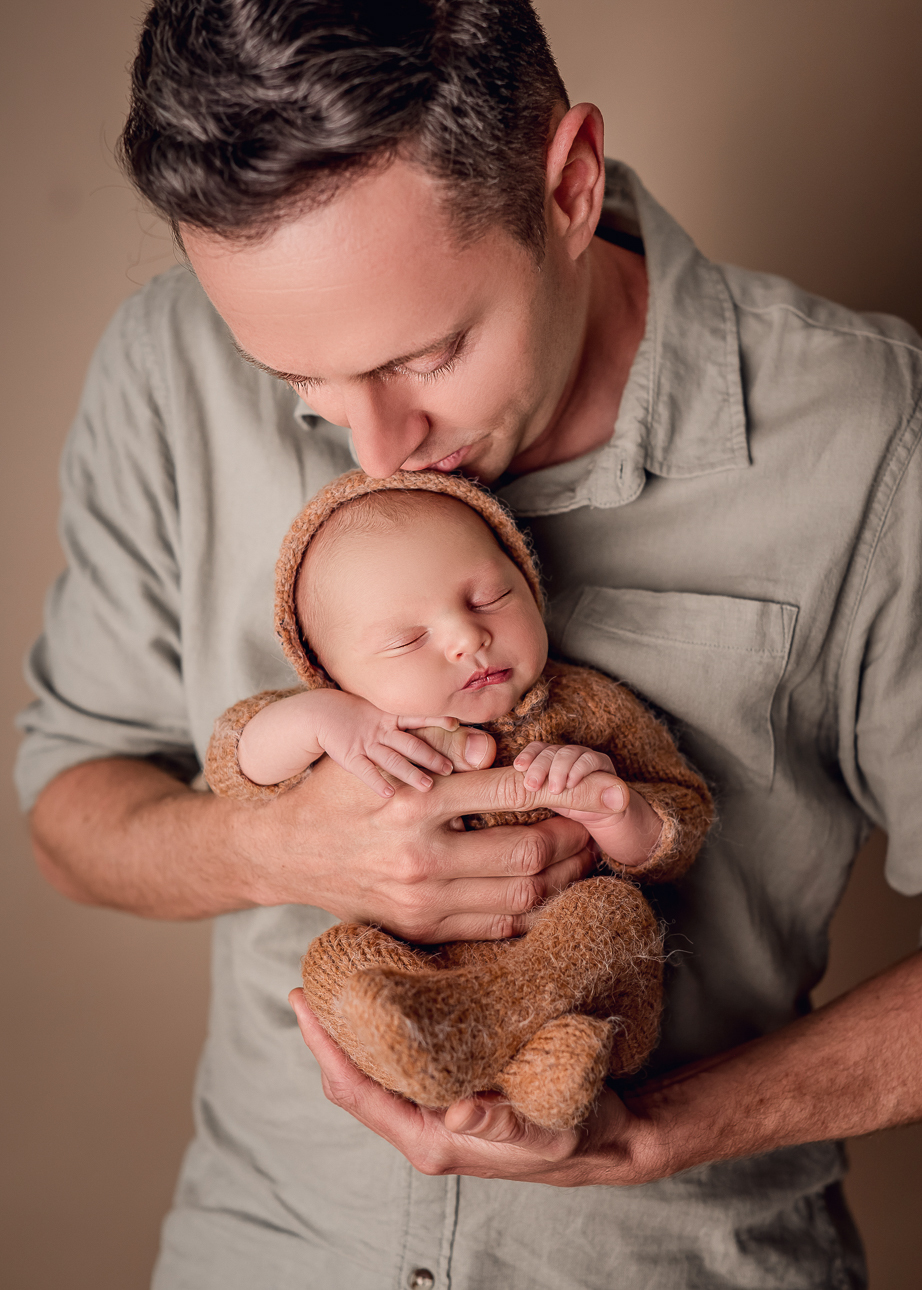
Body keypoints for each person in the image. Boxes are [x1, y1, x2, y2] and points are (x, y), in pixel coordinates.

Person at [15, 1, 922, 1287]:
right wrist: (279, 841)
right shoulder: (163, 365)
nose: (378, 455)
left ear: (568, 184)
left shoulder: (872, 443)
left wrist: (659, 1130)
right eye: (302, 392)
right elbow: (70, 807)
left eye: (430, 352)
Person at [205, 467, 711, 1123]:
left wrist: (622, 815)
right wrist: (317, 720)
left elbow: (684, 813)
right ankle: (530, 1064)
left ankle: (477, 1029)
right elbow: (233, 760)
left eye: (488, 598)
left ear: (528, 583)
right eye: (408, 639)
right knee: (332, 961)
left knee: (611, 914)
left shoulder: (582, 705)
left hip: (576, 973)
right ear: (331, 675)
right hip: (424, 981)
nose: (466, 638)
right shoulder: (349, 730)